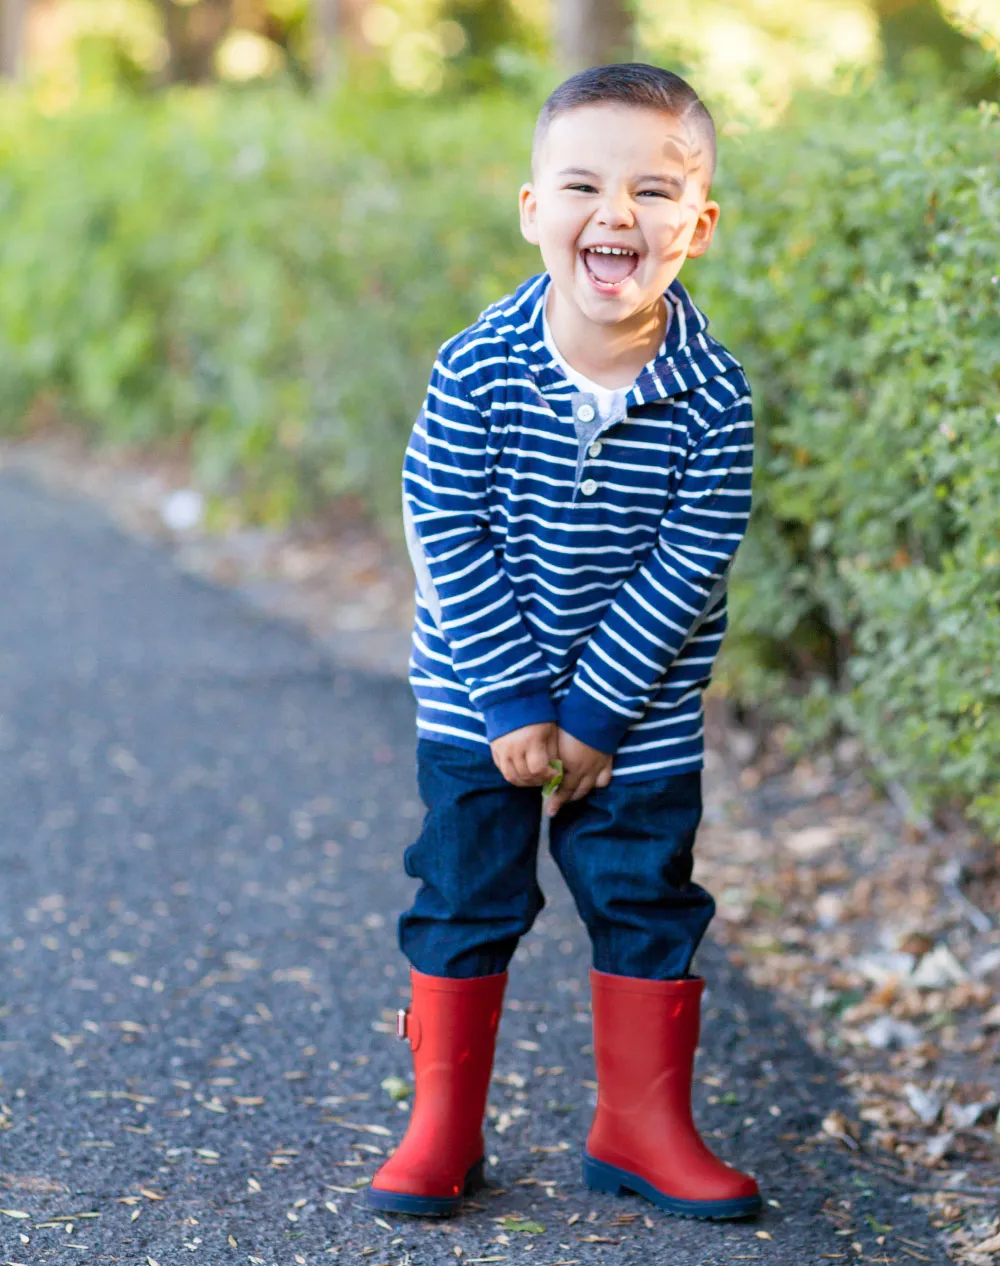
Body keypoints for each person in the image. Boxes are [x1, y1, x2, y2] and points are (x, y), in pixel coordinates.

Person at [367, 62, 761, 1222]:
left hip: (635, 713)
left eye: (653, 190)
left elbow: (688, 566)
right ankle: (440, 1125)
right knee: (463, 892)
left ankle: (639, 1127)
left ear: (699, 223)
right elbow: (444, 529)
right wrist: (512, 702)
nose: (617, 214)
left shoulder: (713, 397)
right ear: (534, 210)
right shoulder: (477, 369)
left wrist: (592, 716)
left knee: (644, 896)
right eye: (583, 185)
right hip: (475, 700)